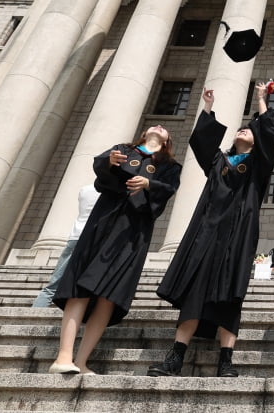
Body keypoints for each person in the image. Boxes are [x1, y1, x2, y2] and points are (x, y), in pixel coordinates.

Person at [149, 82, 274, 378]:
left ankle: (226, 361)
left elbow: (270, 133)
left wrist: (260, 99)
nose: (244, 130)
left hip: (237, 236)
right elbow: (202, 142)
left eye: (250, 130)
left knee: (230, 298)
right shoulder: (220, 160)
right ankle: (175, 358)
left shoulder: (259, 165)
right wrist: (207, 107)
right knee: (195, 291)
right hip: (207, 233)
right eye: (242, 129)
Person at [49, 125, 180, 375]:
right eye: (155, 126)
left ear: (167, 141)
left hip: (134, 230)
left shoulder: (170, 166)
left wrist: (149, 184)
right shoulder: (122, 150)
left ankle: (82, 361)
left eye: (164, 129)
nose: (159, 127)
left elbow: (168, 190)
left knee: (109, 295)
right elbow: (101, 177)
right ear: (144, 134)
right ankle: (63, 356)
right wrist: (109, 163)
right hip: (105, 221)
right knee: (81, 287)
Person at [32, 184, 99, 308]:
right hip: (92, 238)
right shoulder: (108, 190)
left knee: (55, 282)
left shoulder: (84, 190)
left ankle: (37, 309)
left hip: (75, 237)